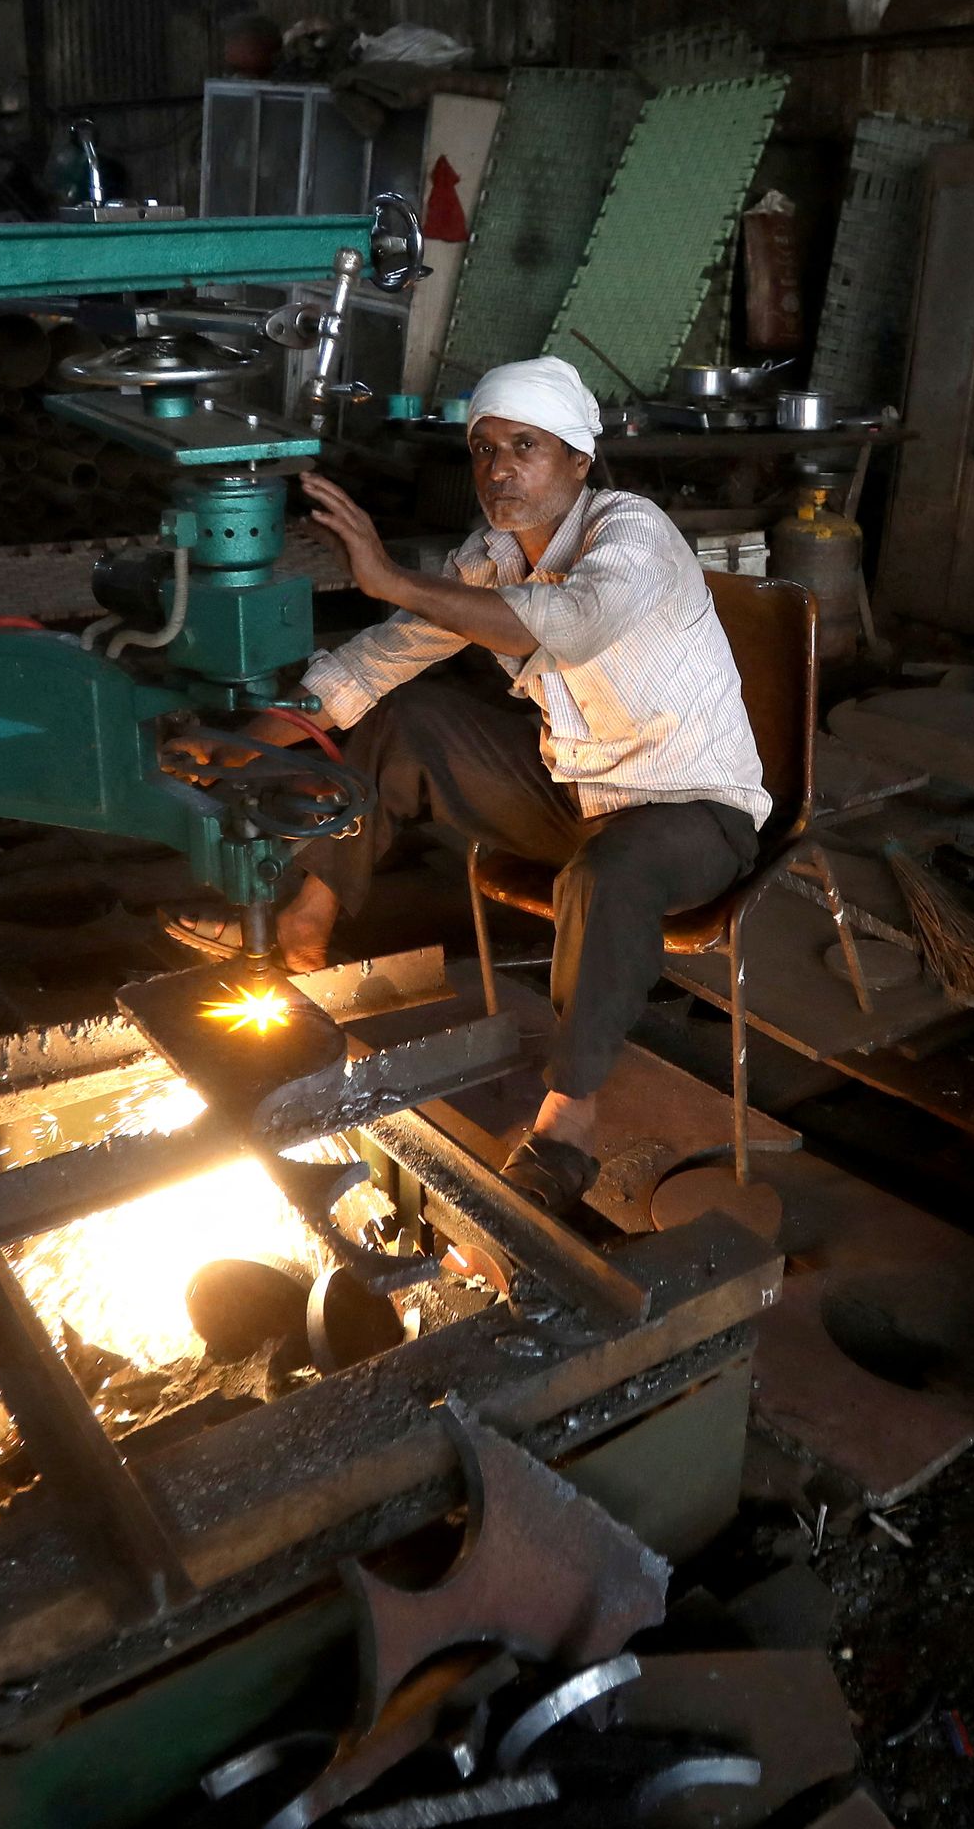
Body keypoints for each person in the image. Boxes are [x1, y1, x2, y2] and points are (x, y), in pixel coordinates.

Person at [180, 357, 770, 1211]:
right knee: (406, 718)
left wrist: (389, 576)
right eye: (484, 450)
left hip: (693, 813)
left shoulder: (632, 532)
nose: (498, 470)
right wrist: (248, 743)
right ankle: (303, 927)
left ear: (578, 460)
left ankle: (569, 1119)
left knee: (611, 874)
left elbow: (571, 624)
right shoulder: (491, 555)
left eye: (525, 447)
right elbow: (378, 659)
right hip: (577, 797)